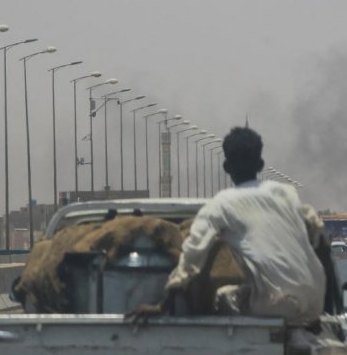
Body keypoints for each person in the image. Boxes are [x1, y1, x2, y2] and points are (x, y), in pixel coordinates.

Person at [132, 126, 326, 326]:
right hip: (315, 302)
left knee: (224, 297)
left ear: (226, 167)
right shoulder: (286, 193)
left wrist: (163, 305)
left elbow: (192, 255)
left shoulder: (221, 204)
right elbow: (317, 229)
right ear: (260, 165)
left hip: (274, 305)